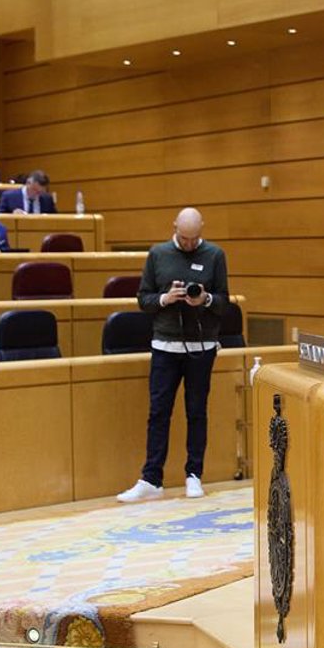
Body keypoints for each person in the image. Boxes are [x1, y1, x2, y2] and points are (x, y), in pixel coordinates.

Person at [117, 208, 232, 503]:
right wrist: (165, 298)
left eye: (194, 238)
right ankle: (151, 479)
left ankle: (194, 475)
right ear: (175, 229)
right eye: (184, 238)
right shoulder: (158, 254)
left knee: (197, 412)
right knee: (158, 412)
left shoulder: (215, 255)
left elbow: (224, 302)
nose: (189, 244)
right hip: (165, 346)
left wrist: (204, 298)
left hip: (202, 347)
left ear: (202, 229)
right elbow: (143, 299)